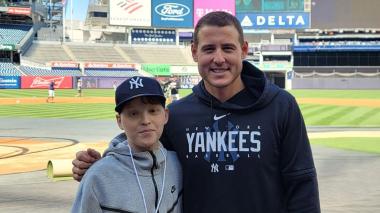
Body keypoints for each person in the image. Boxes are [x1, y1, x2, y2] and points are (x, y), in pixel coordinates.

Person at [72, 11, 320, 212]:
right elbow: (142, 145)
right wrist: (104, 162)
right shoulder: (178, 115)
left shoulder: (281, 106)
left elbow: (301, 184)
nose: (219, 58)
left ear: (244, 50)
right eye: (209, 49)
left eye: (228, 48)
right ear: (194, 52)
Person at [71, 76, 182, 213]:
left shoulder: (178, 163)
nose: (145, 120)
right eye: (133, 113)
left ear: (165, 115)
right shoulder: (98, 176)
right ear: (119, 121)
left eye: (153, 111)